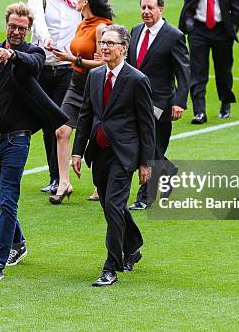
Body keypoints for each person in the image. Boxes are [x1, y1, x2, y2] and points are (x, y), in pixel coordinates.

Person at [0, 3, 68, 281]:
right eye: (13, 26)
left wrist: (12, 56)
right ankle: (18, 242)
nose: (17, 31)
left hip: (16, 141)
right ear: (6, 25)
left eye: (23, 28)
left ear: (29, 30)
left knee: (8, 198)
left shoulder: (32, 54)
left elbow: (33, 65)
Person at [72, 25, 155, 286]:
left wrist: (145, 162)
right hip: (99, 153)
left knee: (112, 206)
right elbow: (86, 114)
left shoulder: (137, 80)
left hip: (124, 154)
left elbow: (146, 125)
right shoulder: (95, 75)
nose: (104, 47)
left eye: (110, 43)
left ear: (123, 48)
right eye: (102, 42)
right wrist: (77, 151)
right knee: (112, 207)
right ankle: (133, 245)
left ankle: (111, 267)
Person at [49, 0, 113, 204]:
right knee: (62, 131)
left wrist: (71, 60)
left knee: (98, 135)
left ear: (87, 1)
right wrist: (62, 54)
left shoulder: (101, 28)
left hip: (95, 86)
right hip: (76, 85)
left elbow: (103, 63)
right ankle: (64, 182)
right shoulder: (82, 23)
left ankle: (100, 183)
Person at [126, 0, 189, 211]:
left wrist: (180, 101)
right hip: (137, 101)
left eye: (150, 7)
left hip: (160, 103)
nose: (146, 12)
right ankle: (168, 170)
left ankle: (145, 196)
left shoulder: (174, 35)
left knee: (150, 147)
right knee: (148, 147)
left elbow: (184, 72)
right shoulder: (135, 31)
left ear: (160, 9)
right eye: (143, 7)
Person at [27, 0, 81, 194]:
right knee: (47, 122)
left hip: (68, 67)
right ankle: (55, 176)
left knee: (61, 123)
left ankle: (60, 177)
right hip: (43, 67)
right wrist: (46, 38)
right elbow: (37, 20)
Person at [179, 0, 239, 125]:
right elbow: (188, 3)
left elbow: (236, 9)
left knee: (223, 71)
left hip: (222, 31)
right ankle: (199, 111)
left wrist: (233, 30)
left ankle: (225, 101)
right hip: (199, 29)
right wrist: (189, 25)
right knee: (197, 72)